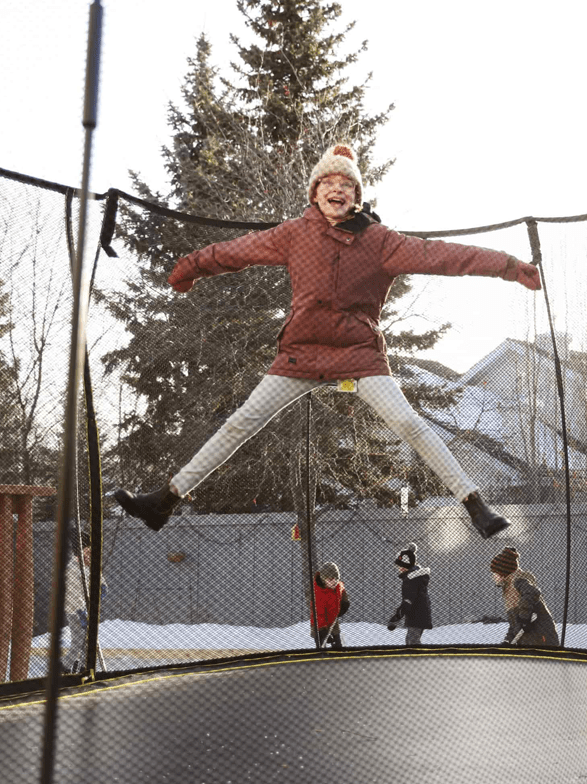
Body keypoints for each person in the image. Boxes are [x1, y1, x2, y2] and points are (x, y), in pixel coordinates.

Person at [113, 143, 541, 537]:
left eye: (346, 184)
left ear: (357, 196)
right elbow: (238, 251)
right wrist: (191, 266)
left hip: (358, 355)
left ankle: (475, 504)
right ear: (315, 192)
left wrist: (509, 266)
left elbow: (445, 256)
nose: (337, 189)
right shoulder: (296, 233)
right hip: (301, 354)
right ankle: (163, 501)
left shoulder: (380, 242)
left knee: (408, 422)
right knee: (242, 421)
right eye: (328, 183)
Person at [490, 547, 559, 647]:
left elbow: (532, 592)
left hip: (542, 638)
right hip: (528, 641)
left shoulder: (519, 581)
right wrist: (508, 641)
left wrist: (524, 618)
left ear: (504, 572)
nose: (494, 577)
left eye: (496, 574)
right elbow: (516, 623)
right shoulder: (508, 590)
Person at [61, 532, 107, 674]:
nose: (90, 552)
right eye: (86, 549)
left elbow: (100, 582)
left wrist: (102, 588)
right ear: (79, 551)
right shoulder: (73, 569)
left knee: (86, 643)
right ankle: (64, 669)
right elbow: (73, 596)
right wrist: (81, 611)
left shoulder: (89, 565)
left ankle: (81, 667)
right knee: (79, 642)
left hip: (85, 610)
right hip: (75, 611)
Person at [387, 543, 432, 645]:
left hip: (417, 616)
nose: (398, 568)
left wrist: (397, 617)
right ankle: (417, 658)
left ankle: (418, 659)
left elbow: (408, 600)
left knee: (412, 642)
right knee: (412, 641)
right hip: (419, 615)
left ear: (404, 566)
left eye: (399, 565)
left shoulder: (411, 580)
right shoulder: (414, 578)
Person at [310, 562, 350, 649]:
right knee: (322, 647)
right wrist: (324, 630)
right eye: (330, 579)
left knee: (337, 646)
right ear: (324, 579)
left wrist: (345, 602)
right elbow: (318, 612)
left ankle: (338, 656)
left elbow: (342, 591)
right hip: (319, 624)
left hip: (333, 621)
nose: (333, 582)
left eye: (335, 579)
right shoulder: (318, 592)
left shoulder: (338, 586)